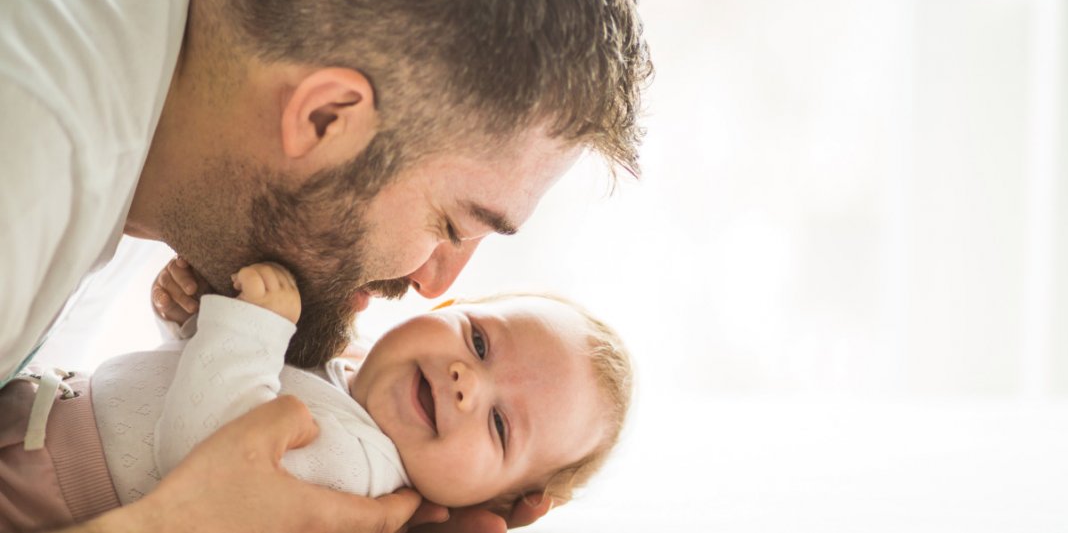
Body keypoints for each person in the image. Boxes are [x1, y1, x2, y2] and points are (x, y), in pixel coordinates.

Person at [0, 0, 651, 531]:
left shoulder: (172, 142)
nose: (435, 282)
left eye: (503, 426)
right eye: (451, 224)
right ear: (325, 119)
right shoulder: (27, 172)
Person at [0, 262, 632, 533]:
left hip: (41, 492)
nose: (468, 382)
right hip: (39, 421)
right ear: (444, 307)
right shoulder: (341, 373)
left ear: (500, 501)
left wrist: (247, 327)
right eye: (479, 343)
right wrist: (194, 317)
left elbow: (205, 460)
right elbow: (201, 380)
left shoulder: (361, 469)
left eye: (499, 424)